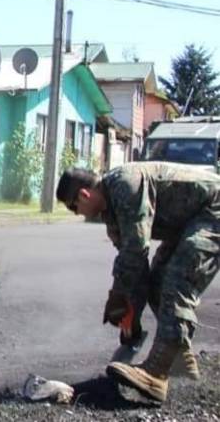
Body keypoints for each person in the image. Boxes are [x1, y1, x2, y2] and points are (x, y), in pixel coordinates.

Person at [56, 162, 220, 402]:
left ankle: (156, 373)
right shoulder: (111, 212)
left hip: (213, 211)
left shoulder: (125, 185)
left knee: (175, 284)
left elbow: (135, 252)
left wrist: (123, 298)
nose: (75, 213)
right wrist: (129, 314)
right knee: (158, 284)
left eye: (73, 207)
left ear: (84, 194)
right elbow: (134, 271)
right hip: (190, 221)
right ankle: (179, 360)